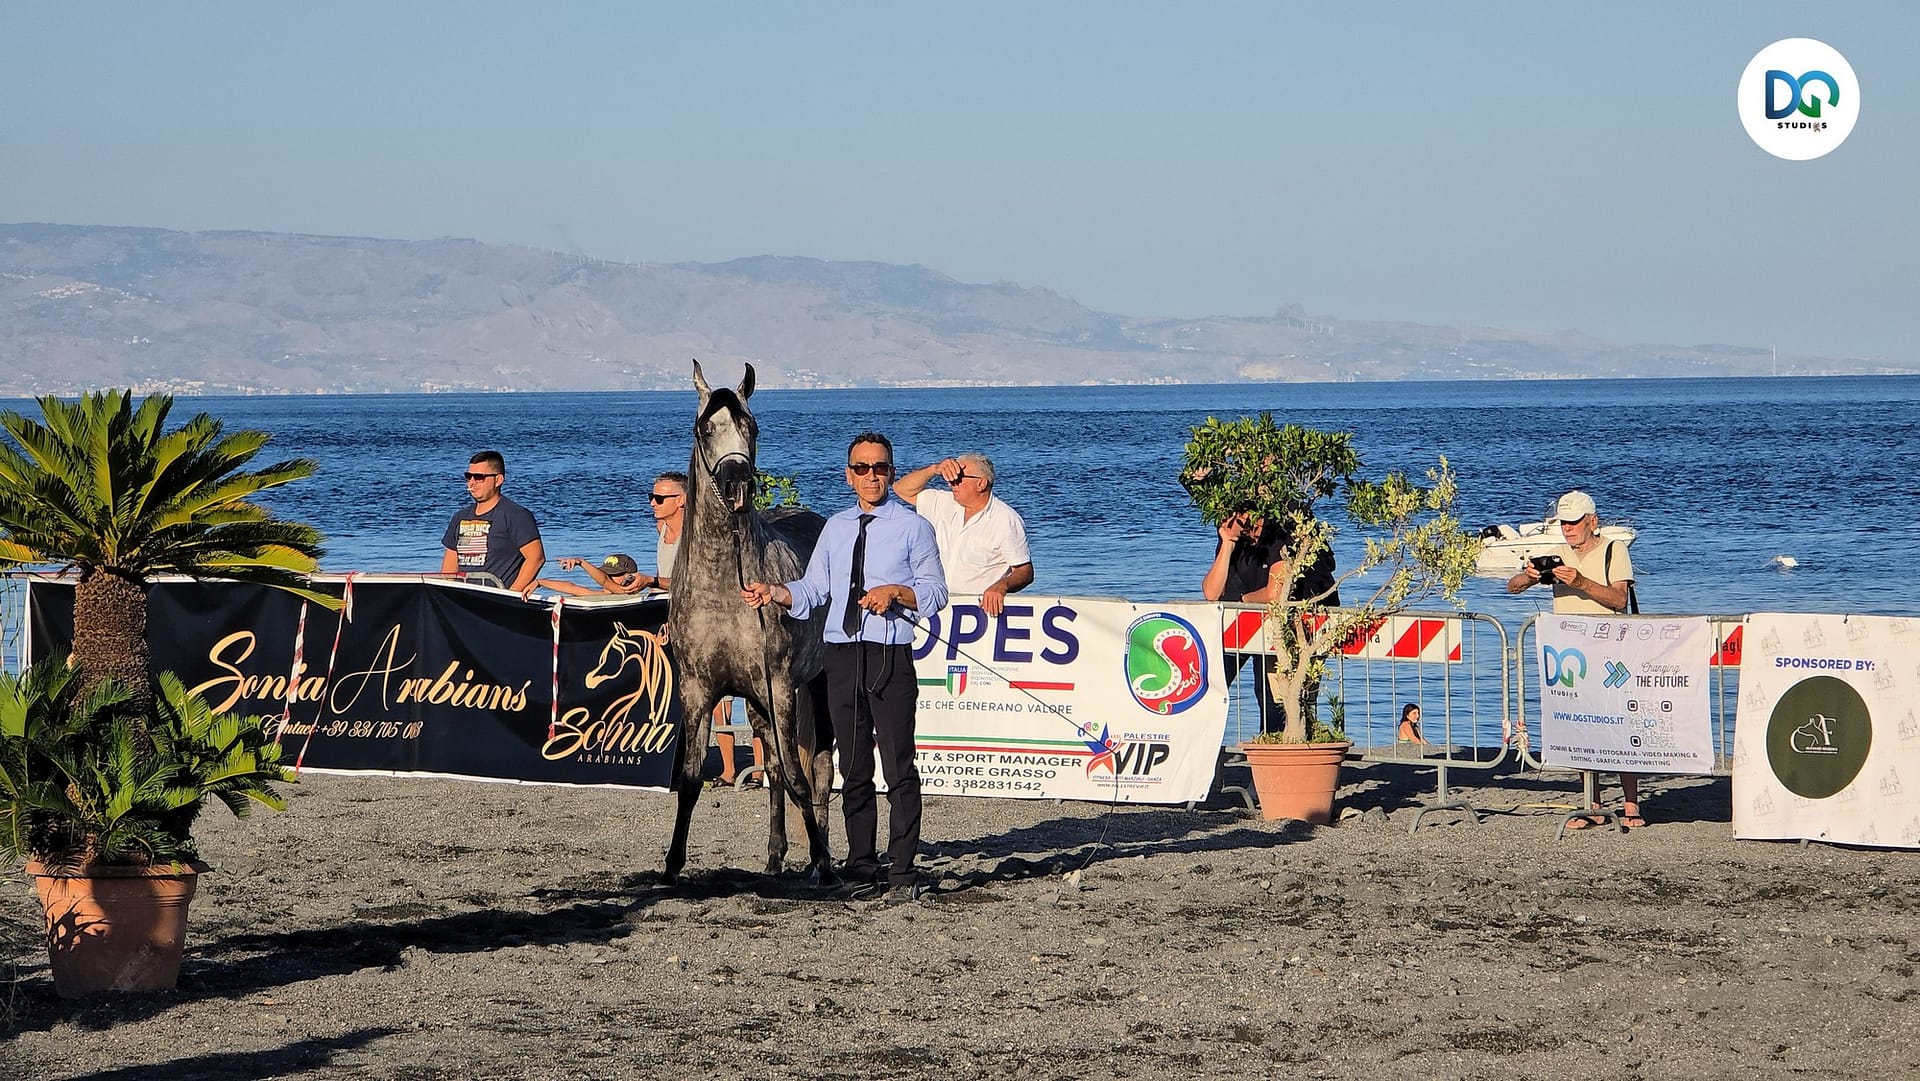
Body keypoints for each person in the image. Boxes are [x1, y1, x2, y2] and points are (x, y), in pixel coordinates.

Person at [741, 431, 948, 900]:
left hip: (888, 654)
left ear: (891, 473)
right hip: (841, 655)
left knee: (898, 768)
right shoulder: (835, 528)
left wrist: (896, 593)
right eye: (862, 468)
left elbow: (936, 591)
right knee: (852, 768)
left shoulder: (913, 527)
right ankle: (861, 868)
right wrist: (776, 593)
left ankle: (902, 872)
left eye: (880, 468)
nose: (871, 476)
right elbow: (814, 589)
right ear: (848, 475)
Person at [1506, 489, 1644, 829]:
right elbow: (1512, 587)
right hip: (1572, 656)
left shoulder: (1613, 549)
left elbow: (1618, 599)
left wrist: (1580, 582)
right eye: (1564, 523)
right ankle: (1591, 805)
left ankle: (1631, 805)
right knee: (1581, 729)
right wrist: (1530, 576)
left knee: (1621, 726)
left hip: (1612, 653)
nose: (1567, 528)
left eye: (1574, 522)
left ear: (1592, 521)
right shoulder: (1558, 555)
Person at [1201, 509, 1339, 733]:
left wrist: (1244, 600)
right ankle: (1202, 743)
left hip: (1280, 622)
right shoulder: (1233, 536)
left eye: (1233, 515)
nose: (1226, 521)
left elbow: (1275, 593)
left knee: (1271, 695)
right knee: (1210, 683)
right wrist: (1227, 544)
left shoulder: (1278, 534)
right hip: (1240, 623)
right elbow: (1211, 592)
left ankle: (1277, 741)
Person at [892, 453, 1034, 617]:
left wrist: (1001, 586)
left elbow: (1024, 571)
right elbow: (901, 489)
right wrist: (935, 469)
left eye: (959, 477)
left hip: (977, 612)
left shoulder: (1006, 520)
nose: (951, 482)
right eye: (950, 476)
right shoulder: (942, 502)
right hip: (934, 606)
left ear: (981, 483)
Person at [440, 450, 544, 592]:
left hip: (497, 598)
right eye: (468, 476)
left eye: (479, 477)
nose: (472, 482)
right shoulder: (459, 517)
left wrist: (511, 594)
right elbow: (448, 572)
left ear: (498, 480)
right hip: (462, 598)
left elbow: (536, 558)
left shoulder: (516, 515)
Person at [521, 553, 645, 598]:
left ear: (630, 578)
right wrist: (539, 582)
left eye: (613, 574)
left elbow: (604, 581)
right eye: (605, 573)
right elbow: (572, 588)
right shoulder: (602, 596)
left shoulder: (630, 593)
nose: (608, 577)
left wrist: (581, 562)